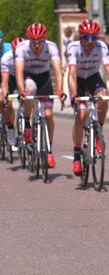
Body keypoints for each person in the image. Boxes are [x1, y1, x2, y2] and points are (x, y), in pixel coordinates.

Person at [67, 19, 109, 176]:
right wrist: (74, 94)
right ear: (80, 37)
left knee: (103, 98)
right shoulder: (73, 47)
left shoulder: (101, 47)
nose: (89, 41)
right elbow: (72, 74)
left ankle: (98, 133)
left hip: (94, 78)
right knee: (81, 115)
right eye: (86, 37)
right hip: (78, 81)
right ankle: (76, 155)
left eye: (93, 38)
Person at [15, 23, 66, 168]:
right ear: (29, 40)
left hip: (44, 78)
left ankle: (49, 150)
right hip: (28, 75)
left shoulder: (51, 47)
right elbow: (19, 71)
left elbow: (57, 70)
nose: (37, 45)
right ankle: (27, 124)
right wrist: (22, 90)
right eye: (34, 41)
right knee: (30, 88)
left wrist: (60, 90)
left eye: (40, 41)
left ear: (45, 40)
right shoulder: (22, 47)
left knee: (48, 115)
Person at [0, 37, 25, 149]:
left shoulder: (29, 57)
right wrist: (6, 96)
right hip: (10, 78)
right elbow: (5, 82)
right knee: (6, 103)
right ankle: (9, 127)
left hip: (23, 77)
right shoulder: (6, 58)